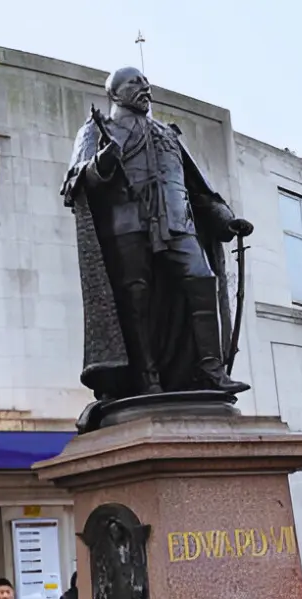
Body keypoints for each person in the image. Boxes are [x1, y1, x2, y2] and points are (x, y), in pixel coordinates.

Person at [60, 65, 252, 402]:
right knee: (136, 302)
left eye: (147, 83)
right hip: (127, 228)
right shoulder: (95, 130)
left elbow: (199, 189)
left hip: (177, 225)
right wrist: (102, 164)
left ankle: (211, 368)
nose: (145, 88)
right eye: (135, 82)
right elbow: (74, 182)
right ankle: (146, 377)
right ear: (113, 92)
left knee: (201, 280)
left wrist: (224, 219)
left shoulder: (168, 134)